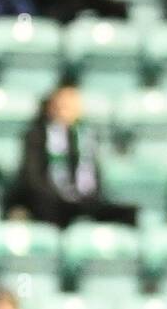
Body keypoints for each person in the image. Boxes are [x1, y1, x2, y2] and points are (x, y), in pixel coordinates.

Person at [10, 84, 135, 228]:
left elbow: (95, 177)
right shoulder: (37, 135)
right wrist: (63, 195)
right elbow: (33, 179)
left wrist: (85, 197)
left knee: (127, 213)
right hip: (51, 200)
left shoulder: (87, 136)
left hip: (82, 200)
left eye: (72, 105)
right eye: (63, 105)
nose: (67, 110)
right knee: (47, 208)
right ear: (52, 107)